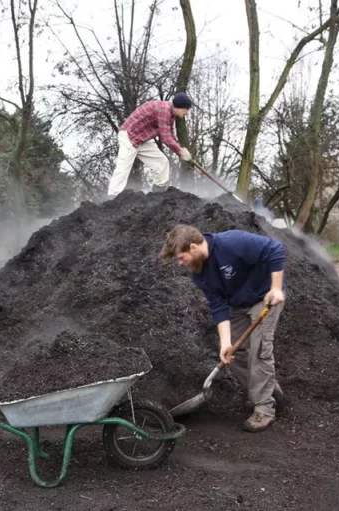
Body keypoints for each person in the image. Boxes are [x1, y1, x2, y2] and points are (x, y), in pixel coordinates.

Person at [160, 224, 286, 432]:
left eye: (181, 258)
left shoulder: (232, 242)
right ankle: (268, 389)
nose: (180, 264)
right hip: (237, 305)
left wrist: (275, 288)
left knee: (260, 351)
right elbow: (218, 306)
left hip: (265, 298)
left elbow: (275, 249)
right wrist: (226, 343)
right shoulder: (199, 274)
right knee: (232, 356)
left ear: (193, 247)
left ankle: (264, 409)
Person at [106, 93, 193, 198]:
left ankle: (158, 194)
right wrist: (180, 151)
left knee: (162, 162)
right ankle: (112, 198)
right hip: (129, 137)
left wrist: (181, 149)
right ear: (179, 107)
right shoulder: (164, 110)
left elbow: (170, 135)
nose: (187, 113)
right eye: (186, 109)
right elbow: (166, 138)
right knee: (122, 169)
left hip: (142, 139)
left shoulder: (170, 114)